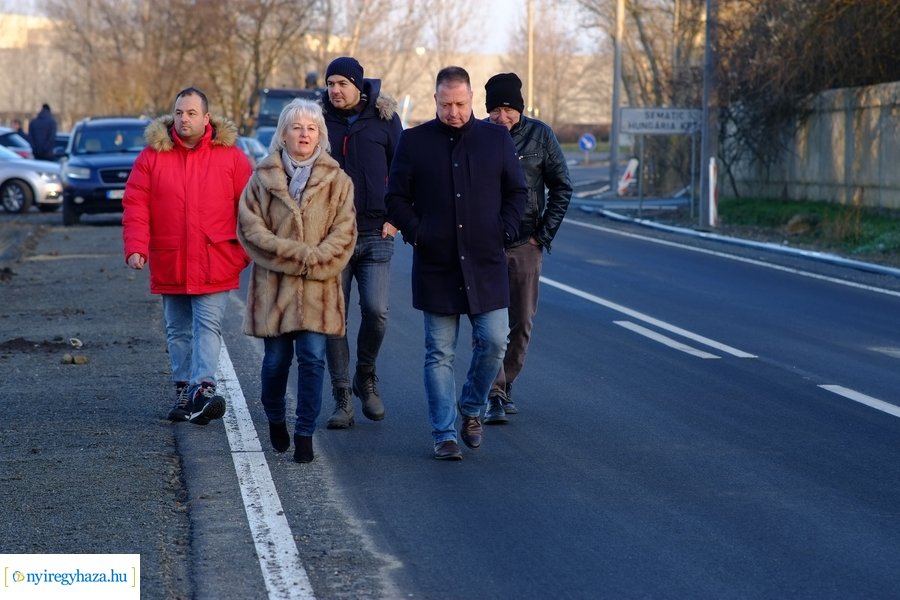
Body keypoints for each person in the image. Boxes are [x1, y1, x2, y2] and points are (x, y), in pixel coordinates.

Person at [385, 66, 527, 460]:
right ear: (435, 100)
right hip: (437, 265)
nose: (454, 112)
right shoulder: (414, 142)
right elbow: (395, 198)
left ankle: (471, 409)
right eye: (446, 104)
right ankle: (444, 433)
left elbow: (518, 191)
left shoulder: (495, 139)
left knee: (495, 341)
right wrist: (419, 232)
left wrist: (504, 229)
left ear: (470, 100)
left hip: (486, 261)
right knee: (439, 353)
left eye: (461, 104)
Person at [123, 87, 253, 426]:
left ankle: (203, 388)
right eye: (179, 112)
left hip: (216, 258)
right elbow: (136, 204)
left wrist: (243, 252)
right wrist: (136, 247)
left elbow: (251, 209)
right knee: (177, 330)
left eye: (191, 113)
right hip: (172, 258)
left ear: (206, 118)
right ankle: (185, 390)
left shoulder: (232, 158)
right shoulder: (152, 157)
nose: (184, 119)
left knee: (207, 325)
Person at [237, 98, 356, 463]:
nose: (304, 134)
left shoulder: (338, 181)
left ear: (320, 135)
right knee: (274, 363)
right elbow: (249, 228)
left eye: (311, 128)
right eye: (297, 127)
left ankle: (305, 432)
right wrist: (297, 256)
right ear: (283, 134)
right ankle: (275, 417)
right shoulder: (262, 177)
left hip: (319, 290)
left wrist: (315, 261)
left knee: (313, 358)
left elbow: (344, 232)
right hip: (274, 291)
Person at [482, 73, 573, 425]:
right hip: (486, 245)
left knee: (521, 322)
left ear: (519, 108)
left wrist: (542, 236)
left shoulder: (541, 136)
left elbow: (562, 187)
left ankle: (506, 382)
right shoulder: (478, 136)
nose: (501, 117)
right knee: (489, 323)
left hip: (526, 243)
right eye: (495, 110)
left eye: (508, 109)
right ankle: (494, 391)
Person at [320, 56, 403, 429]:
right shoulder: (315, 121)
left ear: (358, 85)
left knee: (377, 311)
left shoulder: (384, 120)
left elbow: (405, 171)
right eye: (330, 84)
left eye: (342, 83)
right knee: (334, 319)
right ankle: (341, 398)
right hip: (331, 237)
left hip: (375, 233)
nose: (335, 90)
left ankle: (364, 377)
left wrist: (395, 218)